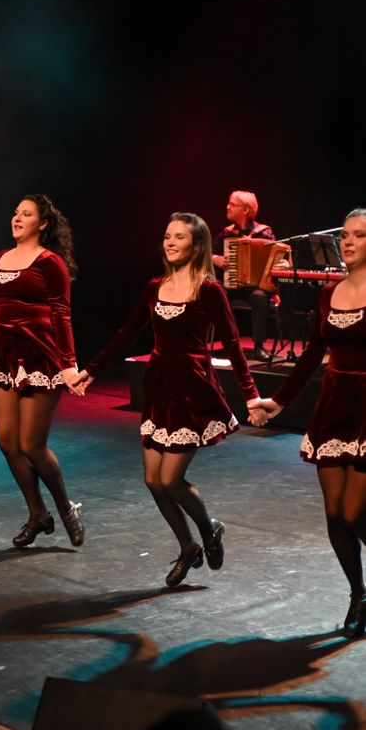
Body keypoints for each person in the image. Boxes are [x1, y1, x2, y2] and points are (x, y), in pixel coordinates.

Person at [74, 213, 262, 586]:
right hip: (159, 387)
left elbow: (232, 345)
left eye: (179, 237)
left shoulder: (209, 290)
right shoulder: (154, 286)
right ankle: (188, 546)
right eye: (167, 236)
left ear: (197, 244)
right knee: (153, 480)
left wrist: (252, 395)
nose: (170, 242)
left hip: (192, 390)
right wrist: (92, 369)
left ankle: (209, 529)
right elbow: (127, 333)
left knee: (171, 479)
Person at [254, 209, 366, 638]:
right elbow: (310, 357)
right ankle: (358, 595)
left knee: (354, 512)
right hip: (334, 406)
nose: (348, 242)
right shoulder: (329, 294)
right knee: (334, 515)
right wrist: (278, 401)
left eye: (359, 235)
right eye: (346, 235)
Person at [0, 194, 84, 548]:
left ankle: (66, 508)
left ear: (42, 224)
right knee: (8, 443)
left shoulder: (50, 262)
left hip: (40, 357)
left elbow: (61, 313)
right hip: (3, 358)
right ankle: (38, 514)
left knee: (32, 445)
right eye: (15, 212)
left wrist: (69, 364)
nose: (16, 218)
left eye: (26, 214)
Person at [212, 190, 276, 362]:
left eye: (232, 204)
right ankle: (231, 344)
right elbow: (206, 255)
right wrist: (214, 258)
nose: (227, 207)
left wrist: (282, 262)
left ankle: (259, 347)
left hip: (255, 287)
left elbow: (275, 258)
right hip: (231, 284)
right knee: (219, 295)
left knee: (259, 297)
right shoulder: (226, 233)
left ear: (246, 210)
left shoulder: (264, 233)